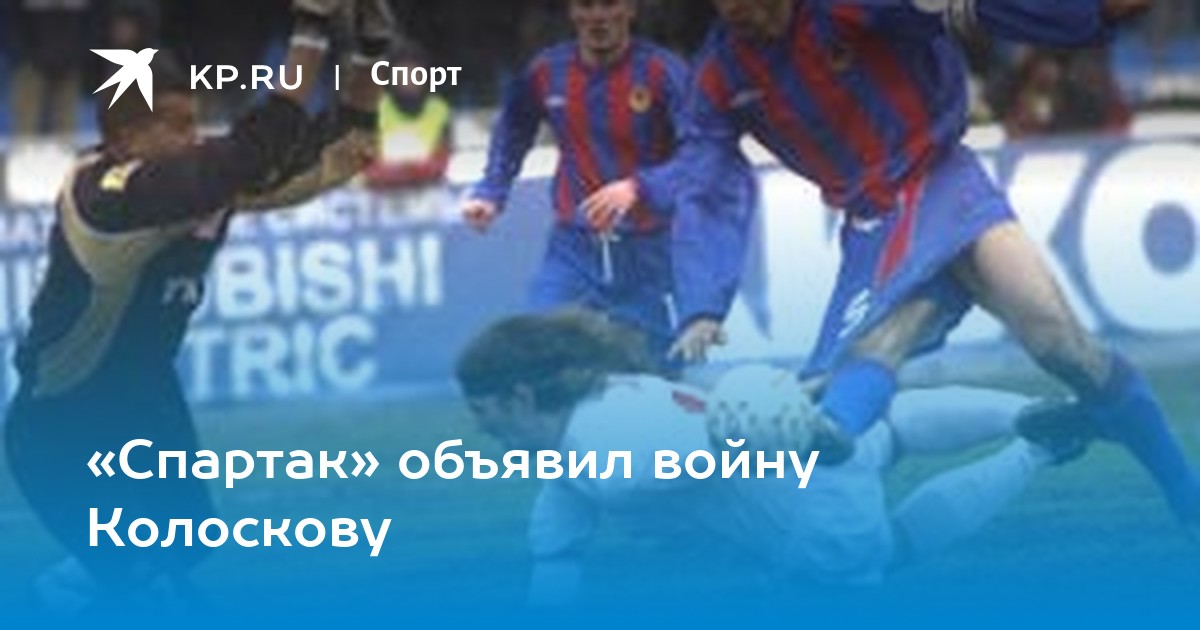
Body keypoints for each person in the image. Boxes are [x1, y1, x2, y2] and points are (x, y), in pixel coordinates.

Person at [667, 0, 1199, 529]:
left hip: (944, 181)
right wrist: (701, 303)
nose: (730, 9)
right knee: (872, 352)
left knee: (1061, 347)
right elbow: (706, 184)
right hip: (877, 220)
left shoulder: (848, 9)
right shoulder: (719, 75)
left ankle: (1185, 495)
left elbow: (972, 10)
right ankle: (826, 442)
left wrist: (1087, 16)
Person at [3, 0, 393, 614]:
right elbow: (248, 151)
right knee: (145, 584)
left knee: (179, 554)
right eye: (176, 124)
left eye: (196, 120)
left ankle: (62, 595)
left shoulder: (197, 181)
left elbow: (341, 152)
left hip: (146, 405)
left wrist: (368, 50)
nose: (193, 137)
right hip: (62, 430)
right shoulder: (104, 195)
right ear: (124, 139)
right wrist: (311, 30)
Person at [455, 311, 1083, 604]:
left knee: (891, 547)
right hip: (816, 447)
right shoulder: (601, 409)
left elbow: (687, 449)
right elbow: (560, 530)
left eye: (482, 409)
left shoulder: (613, 458)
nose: (480, 427)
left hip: (809, 520)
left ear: (520, 396)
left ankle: (1037, 448)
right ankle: (1027, 412)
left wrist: (764, 424)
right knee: (889, 429)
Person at [462, 0, 751, 363]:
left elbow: (703, 155)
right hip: (573, 248)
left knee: (651, 370)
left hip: (649, 249)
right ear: (572, 11)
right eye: (586, 5)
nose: (598, 16)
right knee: (539, 351)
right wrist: (491, 190)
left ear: (630, 8)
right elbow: (513, 128)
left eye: (609, 3)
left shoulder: (663, 72)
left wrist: (639, 187)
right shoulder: (546, 71)